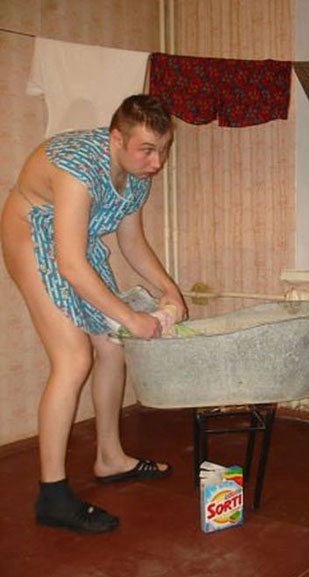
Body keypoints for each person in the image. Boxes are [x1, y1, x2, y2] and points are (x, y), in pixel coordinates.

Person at [0, 94, 187, 534]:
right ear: (116, 138)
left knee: (112, 348)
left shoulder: (137, 175)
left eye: (163, 150)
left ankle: (110, 457)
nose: (156, 162)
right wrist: (132, 318)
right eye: (147, 150)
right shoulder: (78, 167)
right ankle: (52, 495)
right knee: (73, 358)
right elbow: (69, 264)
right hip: (31, 233)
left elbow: (131, 243)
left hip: (75, 244)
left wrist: (170, 291)